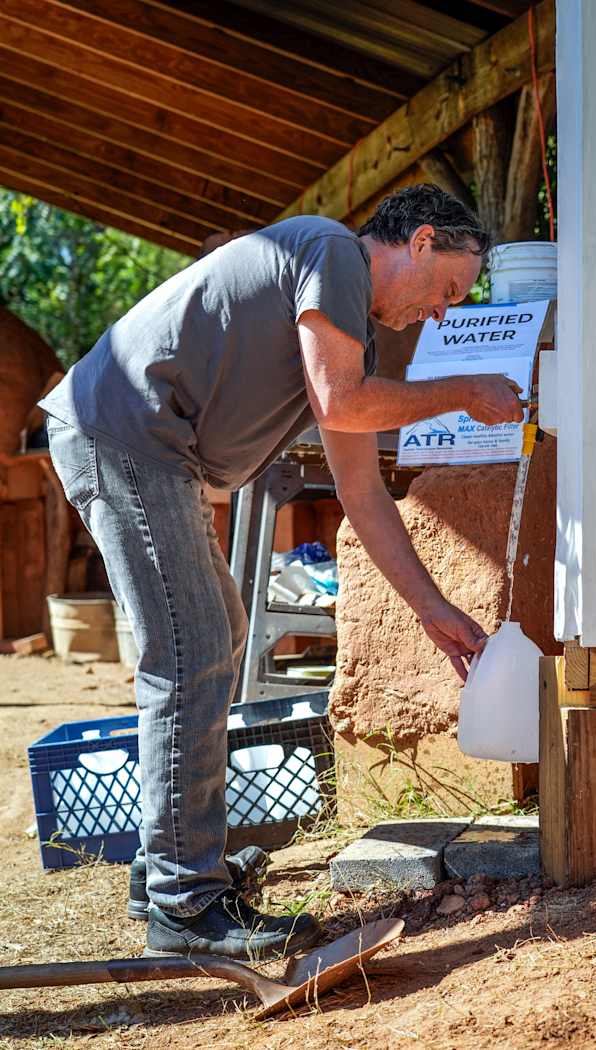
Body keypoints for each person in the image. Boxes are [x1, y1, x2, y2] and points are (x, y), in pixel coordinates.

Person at [40, 184, 523, 962]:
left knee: (217, 636)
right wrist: (464, 393)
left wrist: (432, 610)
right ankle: (183, 903)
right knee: (192, 651)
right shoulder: (332, 251)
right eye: (447, 291)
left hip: (152, 448)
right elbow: (342, 401)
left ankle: (166, 870)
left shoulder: (337, 328)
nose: (441, 312)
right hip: (126, 432)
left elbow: (363, 493)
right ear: (422, 241)